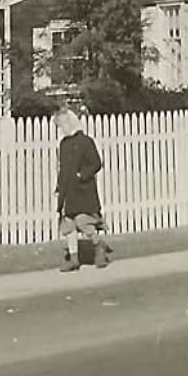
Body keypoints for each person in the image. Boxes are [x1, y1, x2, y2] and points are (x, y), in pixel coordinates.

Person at [53, 106, 111, 272]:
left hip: (83, 190)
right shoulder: (63, 144)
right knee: (69, 225)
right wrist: (59, 186)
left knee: (83, 221)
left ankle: (98, 246)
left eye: (64, 124)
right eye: (60, 125)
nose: (62, 128)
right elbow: (62, 168)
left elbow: (96, 163)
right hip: (67, 191)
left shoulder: (86, 142)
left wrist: (81, 176)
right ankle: (73, 258)